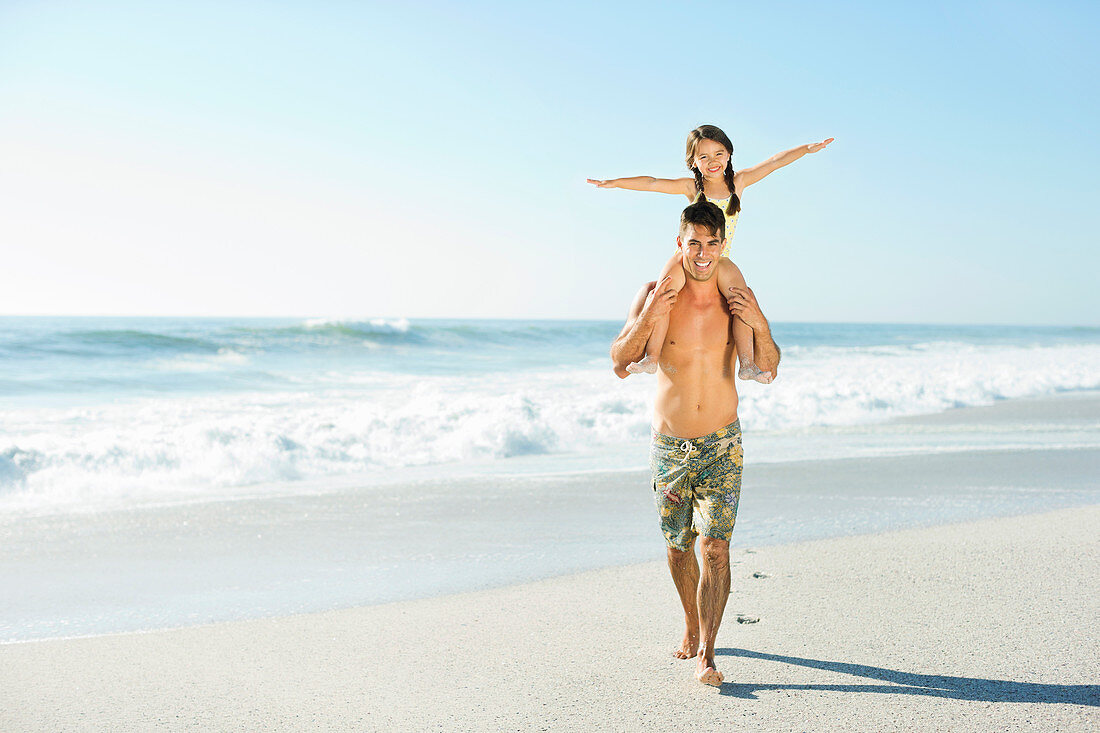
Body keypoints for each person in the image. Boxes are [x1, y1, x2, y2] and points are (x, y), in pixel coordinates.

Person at [610, 199, 780, 687]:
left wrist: (762, 321)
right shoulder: (660, 295)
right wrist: (649, 315)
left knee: (717, 548)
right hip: (670, 447)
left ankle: (708, 651)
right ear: (679, 244)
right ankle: (689, 622)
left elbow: (768, 365)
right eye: (693, 243)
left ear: (723, 244)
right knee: (678, 548)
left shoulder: (736, 301)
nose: (702, 254)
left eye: (712, 243)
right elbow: (620, 359)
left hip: (723, 444)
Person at [592, 124, 826, 382]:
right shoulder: (693, 188)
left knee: (742, 302)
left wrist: (806, 149)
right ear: (693, 161)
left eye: (718, 153)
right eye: (703, 156)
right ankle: (652, 358)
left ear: (728, 154)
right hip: (686, 258)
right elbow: (652, 182)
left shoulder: (739, 182)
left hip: (721, 258)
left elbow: (773, 162)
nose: (712, 161)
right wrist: (614, 183)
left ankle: (746, 364)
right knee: (663, 295)